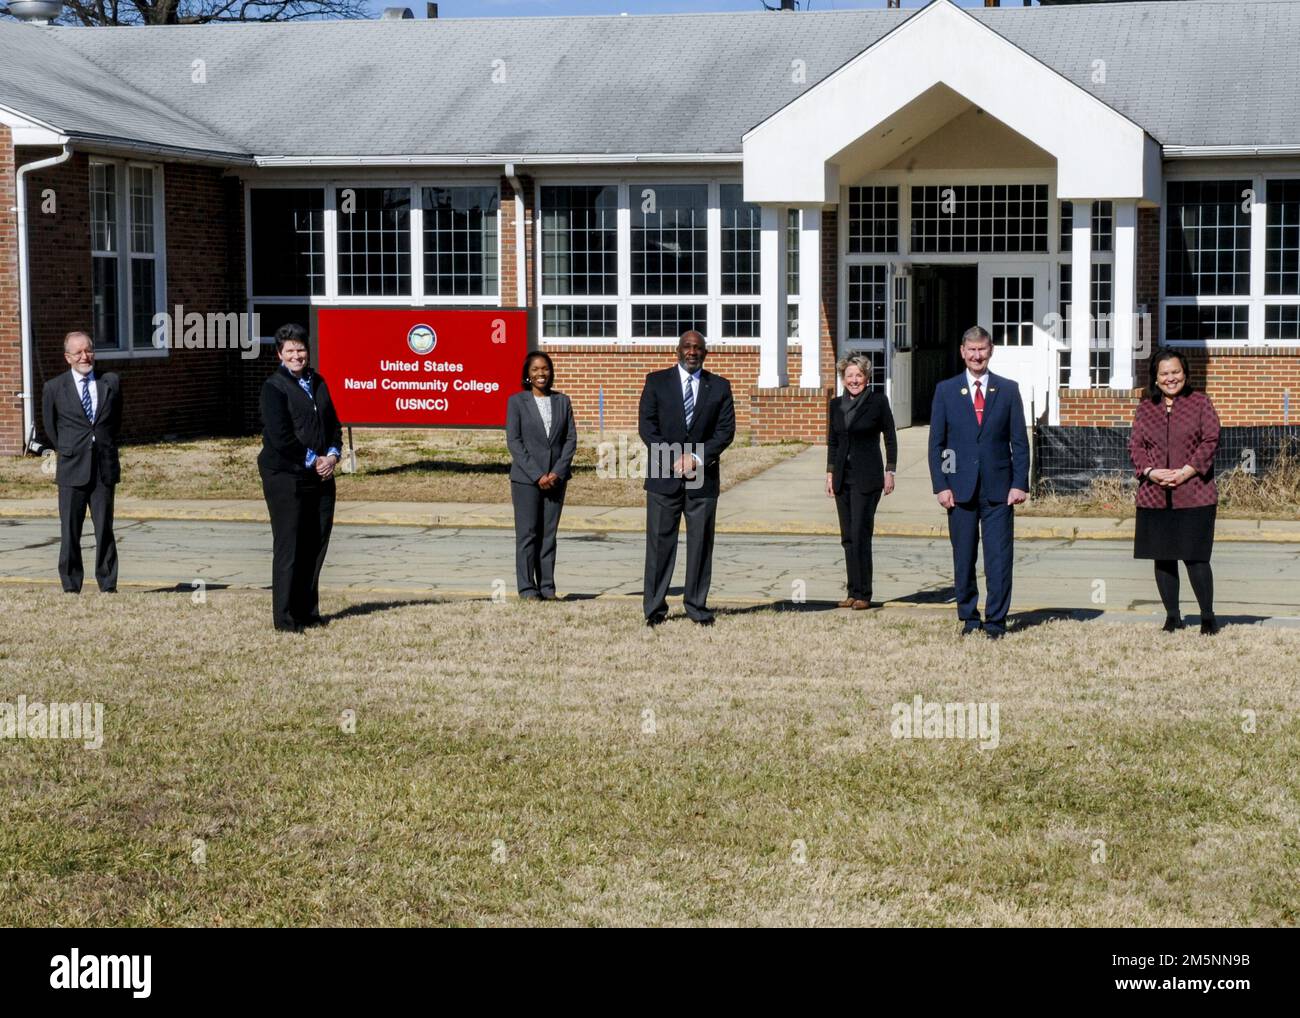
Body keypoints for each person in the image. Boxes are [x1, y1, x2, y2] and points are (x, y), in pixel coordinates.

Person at [927, 326, 1029, 639]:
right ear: (962, 352)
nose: (976, 356)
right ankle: (969, 617)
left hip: (999, 490)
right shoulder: (946, 390)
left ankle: (996, 621)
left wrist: (1019, 483)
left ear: (991, 350)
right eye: (971, 350)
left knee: (999, 558)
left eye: (982, 349)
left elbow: (1020, 443)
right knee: (964, 556)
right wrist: (943, 484)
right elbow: (938, 444)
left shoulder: (1008, 390)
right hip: (960, 491)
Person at [639, 330, 736, 626]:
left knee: (700, 544)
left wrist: (695, 458)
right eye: (687, 346)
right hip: (663, 476)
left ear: (705, 353)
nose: (692, 351)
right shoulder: (656, 381)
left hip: (702, 478)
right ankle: (654, 609)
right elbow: (648, 426)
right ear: (677, 350)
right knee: (659, 543)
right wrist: (673, 459)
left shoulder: (719, 386)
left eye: (698, 348)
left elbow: (725, 431)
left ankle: (697, 606)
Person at [1129, 348, 1222, 635]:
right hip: (1154, 496)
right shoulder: (1145, 408)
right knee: (1163, 556)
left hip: (1195, 493)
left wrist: (1187, 471)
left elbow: (1210, 439)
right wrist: (1150, 472)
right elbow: (1136, 446)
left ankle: (1207, 617)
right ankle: (1172, 616)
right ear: (1155, 379)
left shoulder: (1201, 403)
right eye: (1164, 373)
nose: (1171, 378)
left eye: (1176, 372)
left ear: (1185, 373)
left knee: (1195, 557)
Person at [257, 323, 342, 633]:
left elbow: (333, 424)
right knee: (290, 545)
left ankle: (307, 610)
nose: (296, 355)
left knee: (315, 542)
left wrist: (332, 456)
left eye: (300, 349)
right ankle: (285, 617)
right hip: (286, 476)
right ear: (280, 354)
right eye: (289, 350)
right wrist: (312, 460)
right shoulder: (274, 388)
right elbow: (280, 436)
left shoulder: (317, 382)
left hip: (321, 476)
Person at [42, 330, 121, 594]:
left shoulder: (110, 382)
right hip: (72, 467)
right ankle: (71, 584)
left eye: (88, 350)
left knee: (105, 530)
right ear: (68, 358)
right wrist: (70, 448)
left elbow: (115, 422)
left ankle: (108, 584)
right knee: (70, 531)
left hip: (103, 468)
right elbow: (50, 427)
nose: (85, 356)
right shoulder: (54, 388)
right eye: (78, 352)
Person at [826, 353, 897, 610]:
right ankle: (852, 591)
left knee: (860, 533)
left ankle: (864, 593)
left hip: (867, 477)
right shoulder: (835, 405)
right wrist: (830, 473)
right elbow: (833, 441)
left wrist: (891, 470)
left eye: (859, 375)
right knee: (847, 537)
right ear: (843, 378)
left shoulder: (877, 401)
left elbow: (890, 436)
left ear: (867, 378)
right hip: (843, 477)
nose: (854, 380)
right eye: (849, 376)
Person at [505, 350, 578, 600]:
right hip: (526, 479)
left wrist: (557, 472)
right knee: (528, 535)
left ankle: (547, 588)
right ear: (527, 374)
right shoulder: (516, 402)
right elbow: (514, 442)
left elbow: (570, 440)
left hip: (556, 480)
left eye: (545, 368)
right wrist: (538, 475)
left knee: (549, 535)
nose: (541, 374)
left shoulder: (562, 401)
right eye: (535, 369)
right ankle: (527, 589)